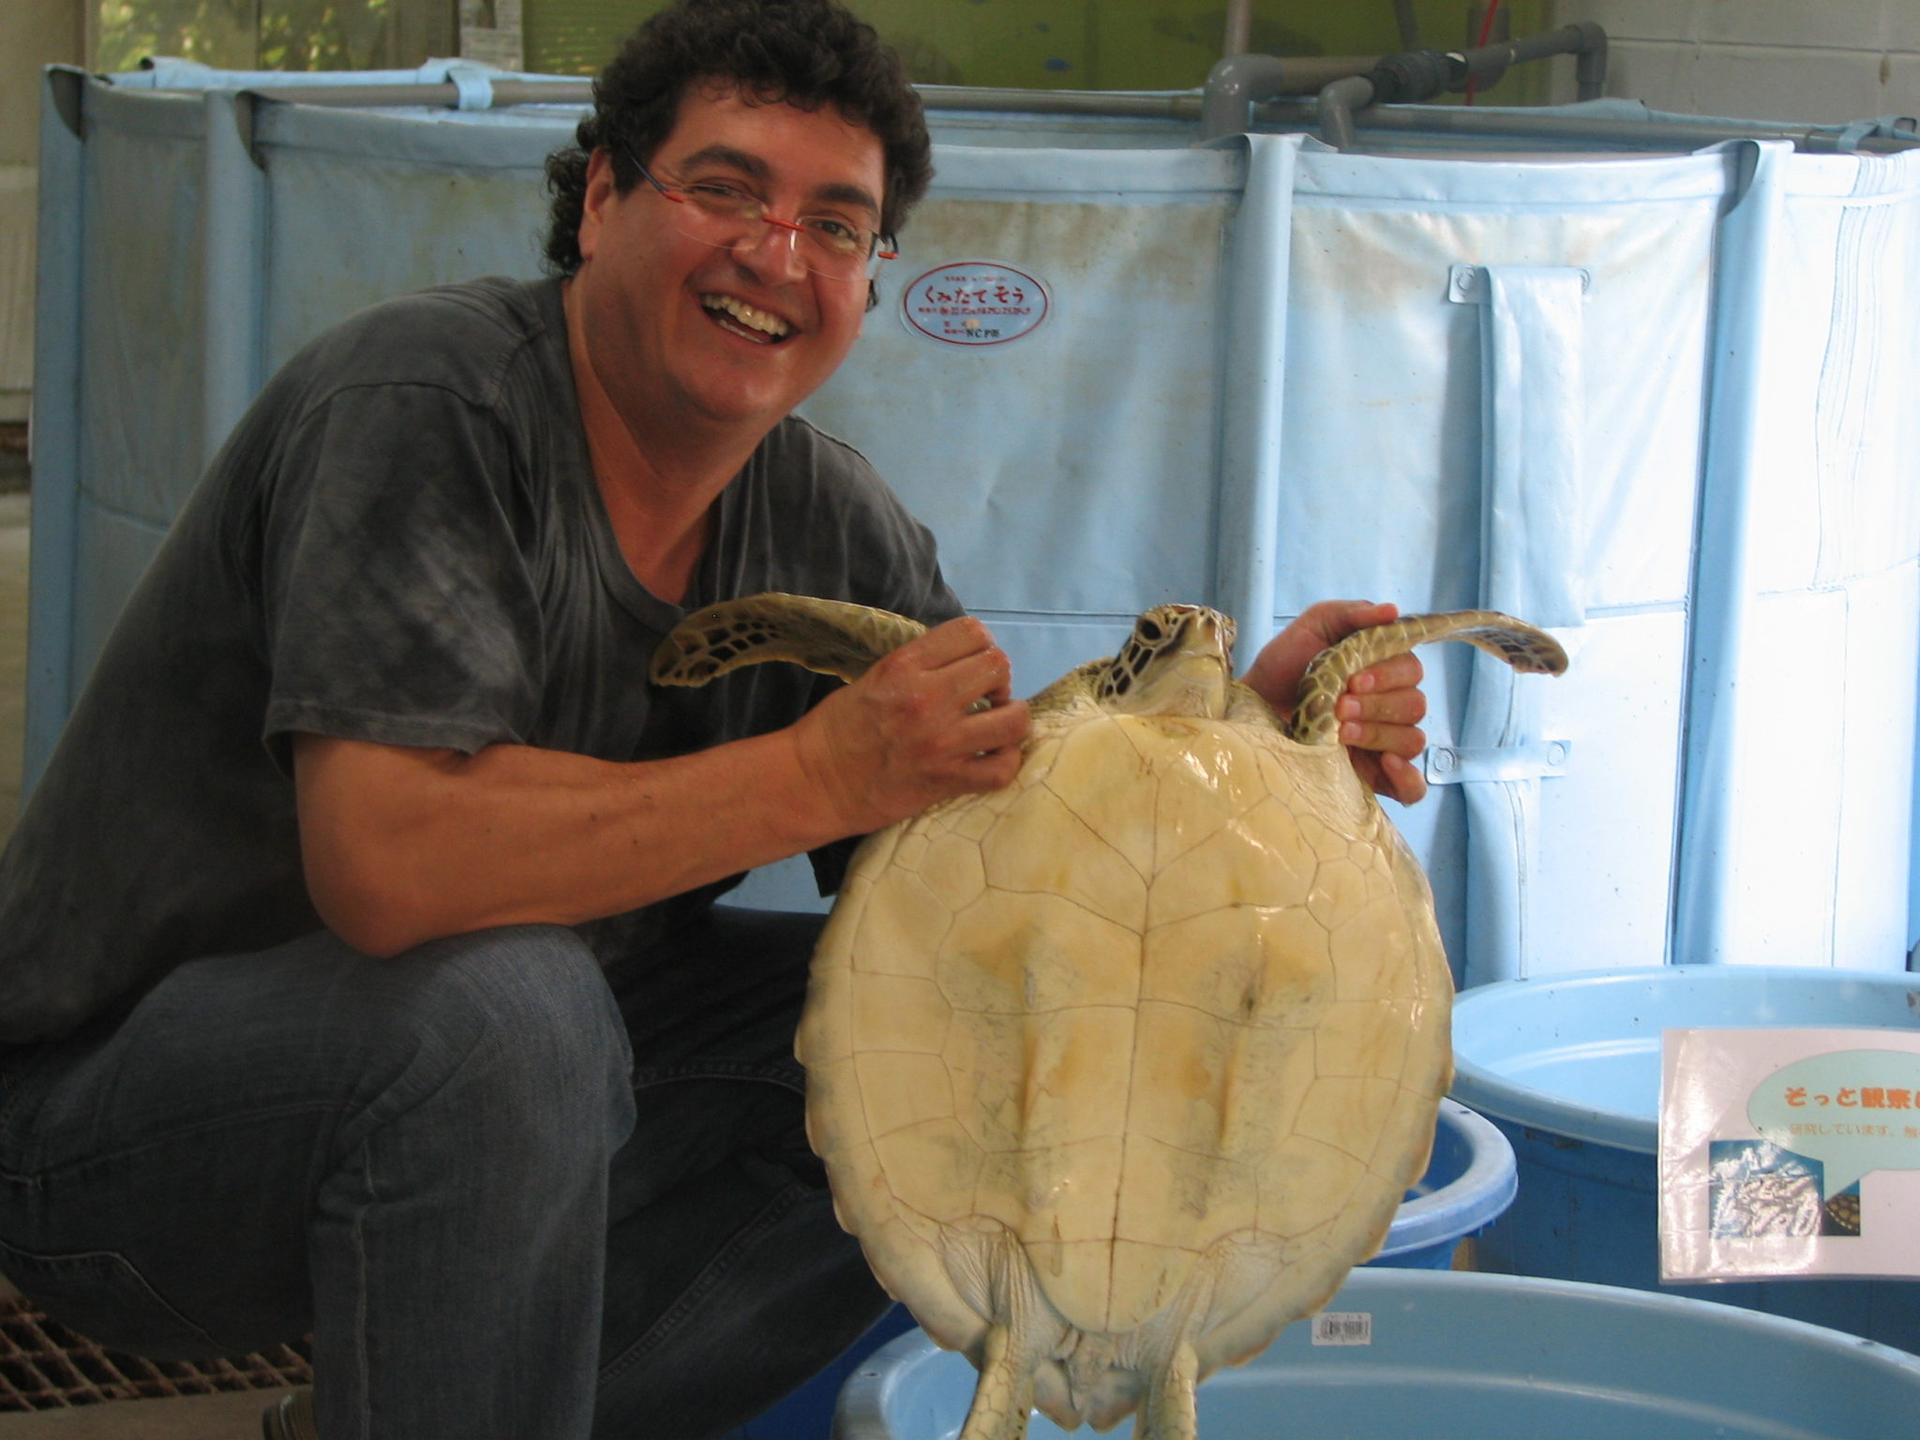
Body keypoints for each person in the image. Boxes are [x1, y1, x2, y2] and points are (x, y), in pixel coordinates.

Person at [0, 2, 1430, 1436]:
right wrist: (818, 771)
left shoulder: (828, 520)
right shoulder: (427, 405)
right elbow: (391, 866)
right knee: (510, 1018)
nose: (775, 254)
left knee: (907, 1040)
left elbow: (1002, 859)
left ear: (872, 280)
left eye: (835, 222)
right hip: (118, 1141)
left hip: (517, 1091)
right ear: (605, 199)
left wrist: (1243, 752)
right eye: (727, 189)